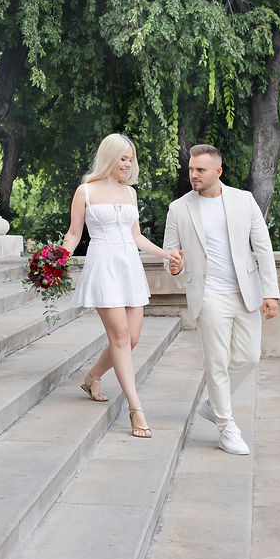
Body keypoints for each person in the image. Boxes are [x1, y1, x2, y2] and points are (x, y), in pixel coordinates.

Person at [62, 134, 183, 438]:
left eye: (131, 159)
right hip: (103, 267)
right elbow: (74, 234)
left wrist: (165, 253)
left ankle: (92, 377)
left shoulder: (130, 193)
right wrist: (56, 260)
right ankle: (135, 408)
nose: (128, 164)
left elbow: (136, 237)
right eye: (123, 158)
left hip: (130, 267)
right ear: (109, 157)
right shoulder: (85, 191)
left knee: (132, 339)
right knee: (119, 336)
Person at [163, 144, 279, 455]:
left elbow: (263, 247)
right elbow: (170, 253)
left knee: (249, 357)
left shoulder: (244, 200)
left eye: (200, 170)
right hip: (208, 294)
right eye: (191, 169)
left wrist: (270, 292)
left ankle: (212, 404)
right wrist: (174, 265)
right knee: (216, 361)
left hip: (245, 292)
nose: (193, 175)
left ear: (218, 171)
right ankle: (226, 426)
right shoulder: (179, 208)